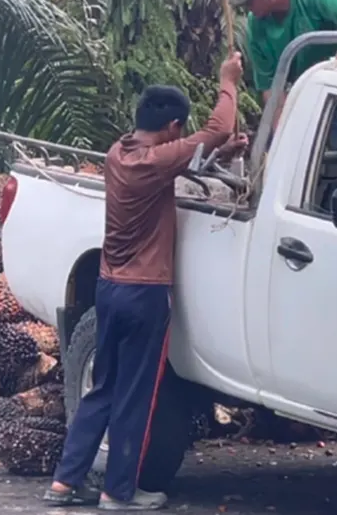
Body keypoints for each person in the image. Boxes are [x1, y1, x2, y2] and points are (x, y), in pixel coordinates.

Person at [40, 52, 246, 511]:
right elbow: (216, 128)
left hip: (110, 290)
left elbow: (189, 155)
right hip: (145, 294)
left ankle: (65, 481)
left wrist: (221, 154)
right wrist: (227, 80)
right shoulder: (156, 161)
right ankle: (119, 493)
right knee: (137, 396)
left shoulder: (121, 153)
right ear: (173, 127)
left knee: (104, 389)